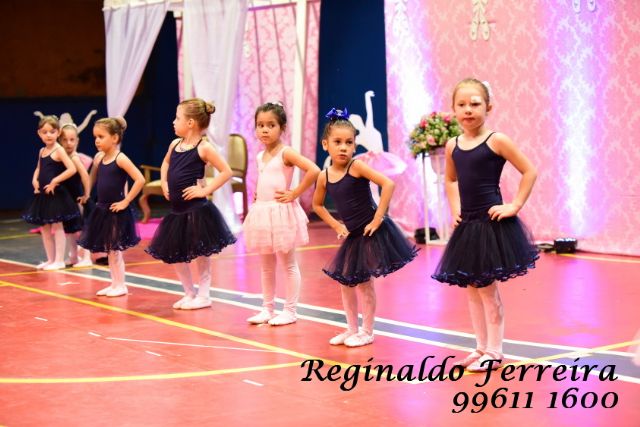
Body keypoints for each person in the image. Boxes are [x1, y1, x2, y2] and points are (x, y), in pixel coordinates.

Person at [431, 78, 539, 372]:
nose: (468, 110)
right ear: (453, 109)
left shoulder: (497, 140)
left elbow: (529, 171)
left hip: (489, 226)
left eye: (475, 104)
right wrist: (455, 208)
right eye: (462, 104)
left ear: (488, 107)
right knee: (472, 288)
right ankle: (480, 347)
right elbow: (450, 179)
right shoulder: (452, 145)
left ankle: (495, 351)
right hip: (467, 226)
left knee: (488, 290)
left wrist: (514, 205)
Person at [312, 108, 418, 347]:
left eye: (349, 142)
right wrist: (336, 225)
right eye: (337, 142)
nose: (343, 147)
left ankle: (367, 331)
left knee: (364, 283)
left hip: (371, 231)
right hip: (352, 234)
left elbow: (388, 184)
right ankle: (351, 329)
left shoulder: (357, 167)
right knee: (346, 282)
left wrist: (378, 218)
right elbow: (317, 205)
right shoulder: (324, 176)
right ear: (325, 144)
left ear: (354, 145)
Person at [146, 99, 237, 310]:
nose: (173, 121)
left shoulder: (204, 148)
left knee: (201, 254)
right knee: (176, 254)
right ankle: (189, 293)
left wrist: (205, 190)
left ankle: (204, 295)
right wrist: (164, 183)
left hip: (197, 210)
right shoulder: (174, 144)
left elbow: (226, 171)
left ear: (190, 123)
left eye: (177, 118)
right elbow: (166, 163)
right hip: (177, 212)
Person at [243, 102, 320, 325]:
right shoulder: (260, 156)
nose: (265, 130)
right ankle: (267, 309)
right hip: (263, 213)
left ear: (282, 128)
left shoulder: (286, 153)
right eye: (260, 125)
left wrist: (294, 193)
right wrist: (258, 195)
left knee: (288, 264)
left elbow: (314, 170)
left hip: (281, 214)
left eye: (271, 125)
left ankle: (290, 310)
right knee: (266, 266)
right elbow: (265, 178)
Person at [78, 117, 145, 297]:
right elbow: (92, 177)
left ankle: (121, 285)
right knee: (109, 249)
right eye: (95, 137)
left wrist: (126, 201)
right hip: (102, 209)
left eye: (101, 137)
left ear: (114, 138)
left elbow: (140, 179)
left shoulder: (120, 158)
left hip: (117, 211)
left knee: (115, 250)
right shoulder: (99, 157)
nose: (97, 140)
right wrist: (86, 193)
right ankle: (114, 283)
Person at [23, 115, 80, 270]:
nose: (48, 135)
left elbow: (71, 169)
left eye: (52, 131)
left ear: (58, 132)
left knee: (58, 226)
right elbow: (39, 168)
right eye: (45, 132)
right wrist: (34, 180)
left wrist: (55, 180)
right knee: (45, 228)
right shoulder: (42, 150)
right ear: (39, 134)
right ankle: (50, 259)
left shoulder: (59, 150)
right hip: (43, 194)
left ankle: (59, 260)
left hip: (56, 195)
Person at [59, 123, 93, 267]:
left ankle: (87, 257)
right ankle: (73, 256)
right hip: (69, 200)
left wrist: (86, 195)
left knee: (84, 229)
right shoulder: (63, 157)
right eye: (65, 140)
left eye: (72, 140)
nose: (68, 143)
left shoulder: (75, 158)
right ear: (60, 141)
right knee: (70, 230)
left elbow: (85, 176)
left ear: (77, 141)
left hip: (79, 199)